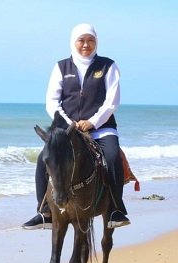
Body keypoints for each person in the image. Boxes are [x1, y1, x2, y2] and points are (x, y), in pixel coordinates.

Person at [23, 23, 130, 230]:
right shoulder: (61, 67)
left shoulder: (108, 66)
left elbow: (112, 101)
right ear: (74, 42)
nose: (86, 45)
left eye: (90, 40)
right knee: (43, 159)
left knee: (112, 156)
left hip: (101, 128)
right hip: (66, 130)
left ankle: (116, 209)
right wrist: (69, 123)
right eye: (81, 40)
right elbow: (52, 102)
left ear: (96, 42)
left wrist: (93, 122)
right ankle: (44, 211)